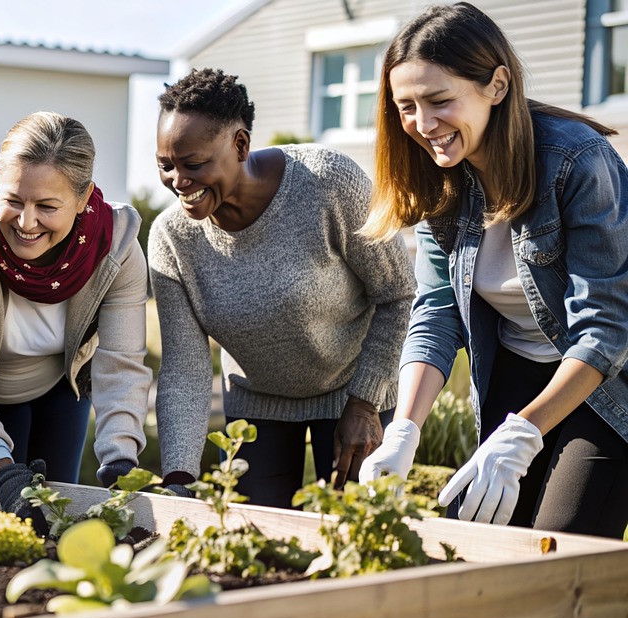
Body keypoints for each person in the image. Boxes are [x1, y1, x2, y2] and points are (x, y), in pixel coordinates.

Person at [357, 2, 628, 538]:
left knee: (558, 549)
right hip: (518, 372)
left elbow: (606, 331)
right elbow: (436, 313)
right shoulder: (440, 179)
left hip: (606, 386)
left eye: (439, 101)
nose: (422, 125)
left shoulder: (577, 162)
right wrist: (403, 431)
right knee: (478, 536)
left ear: (497, 85)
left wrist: (522, 435)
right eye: (405, 106)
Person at [150, 68, 415, 509]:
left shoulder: (327, 182)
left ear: (239, 144)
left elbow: (398, 293)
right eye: (165, 165)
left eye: (193, 164)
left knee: (360, 535)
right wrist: (179, 479)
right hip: (256, 407)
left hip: (355, 391)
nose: (179, 181)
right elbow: (185, 368)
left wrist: (366, 403)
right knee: (258, 545)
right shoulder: (172, 238)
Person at [0, 111, 152, 523]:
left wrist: (121, 460)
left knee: (54, 521)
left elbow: (121, 366)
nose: (26, 222)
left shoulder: (117, 246)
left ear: (83, 196)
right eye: (14, 200)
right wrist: (2, 469)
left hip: (55, 383)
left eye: (47, 206)